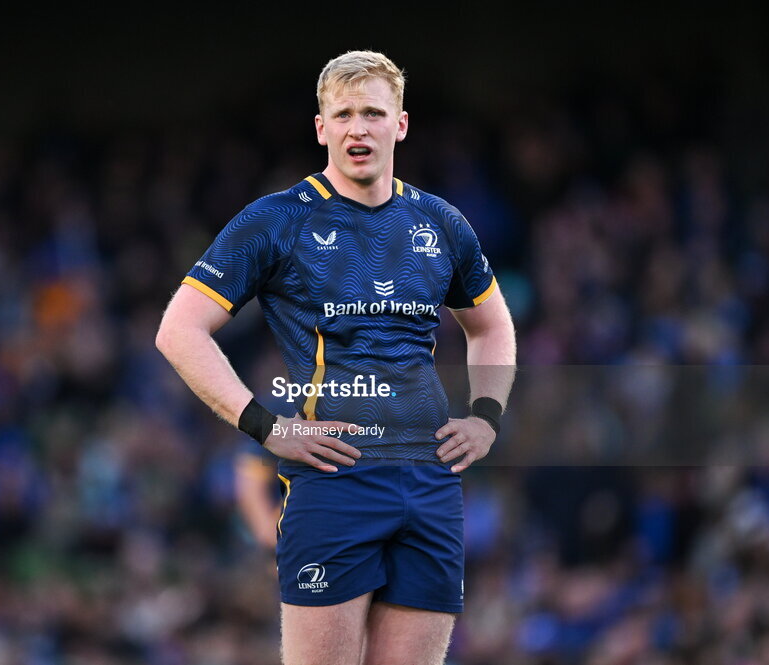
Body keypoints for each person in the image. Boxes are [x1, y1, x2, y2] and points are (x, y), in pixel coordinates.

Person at [157, 50, 516, 665]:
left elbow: (493, 326)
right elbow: (179, 330)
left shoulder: (440, 222)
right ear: (321, 128)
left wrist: (485, 415)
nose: (358, 128)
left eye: (373, 113)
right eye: (343, 114)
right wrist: (266, 427)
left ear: (400, 125)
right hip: (335, 481)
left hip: (430, 481)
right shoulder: (275, 221)